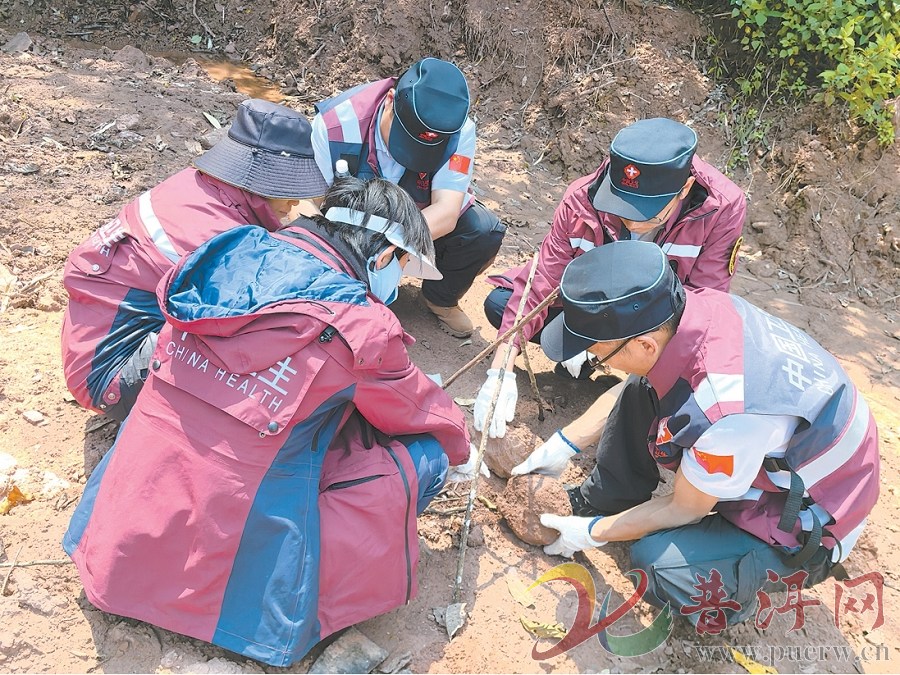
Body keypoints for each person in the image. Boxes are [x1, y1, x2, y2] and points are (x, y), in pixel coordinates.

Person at [63, 177, 482, 666]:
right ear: (385, 255)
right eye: (405, 265)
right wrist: (462, 451)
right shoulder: (361, 325)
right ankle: (270, 606)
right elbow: (418, 410)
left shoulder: (229, 252)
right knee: (428, 455)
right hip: (224, 565)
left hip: (121, 532)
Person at [530, 240, 879, 627]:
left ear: (644, 343)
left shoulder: (725, 412)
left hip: (808, 521)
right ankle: (612, 497)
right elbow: (638, 382)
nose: (597, 361)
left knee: (657, 564)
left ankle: (735, 596)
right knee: (644, 384)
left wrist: (593, 533)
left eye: (600, 353)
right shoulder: (693, 311)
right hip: (776, 451)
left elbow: (684, 507)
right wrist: (565, 443)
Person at [476, 118, 747, 439]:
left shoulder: (721, 209)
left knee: (677, 401)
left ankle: (633, 379)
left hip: (657, 327)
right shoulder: (582, 197)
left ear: (684, 189)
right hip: (596, 306)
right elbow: (543, 278)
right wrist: (501, 366)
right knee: (501, 304)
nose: (631, 221)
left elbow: (705, 304)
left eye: (645, 211)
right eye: (621, 206)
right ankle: (596, 353)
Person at [61, 98, 328, 421]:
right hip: (112, 377)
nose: (295, 202)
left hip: (96, 344)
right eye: (287, 189)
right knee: (270, 340)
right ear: (259, 186)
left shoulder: (196, 188)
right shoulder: (216, 235)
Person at [311, 56, 507, 338]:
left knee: (482, 232)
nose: (413, 156)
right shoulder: (336, 124)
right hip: (351, 221)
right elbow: (316, 208)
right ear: (390, 100)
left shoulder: (458, 131)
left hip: (411, 221)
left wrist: (391, 245)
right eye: (406, 139)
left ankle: (439, 300)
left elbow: (447, 211)